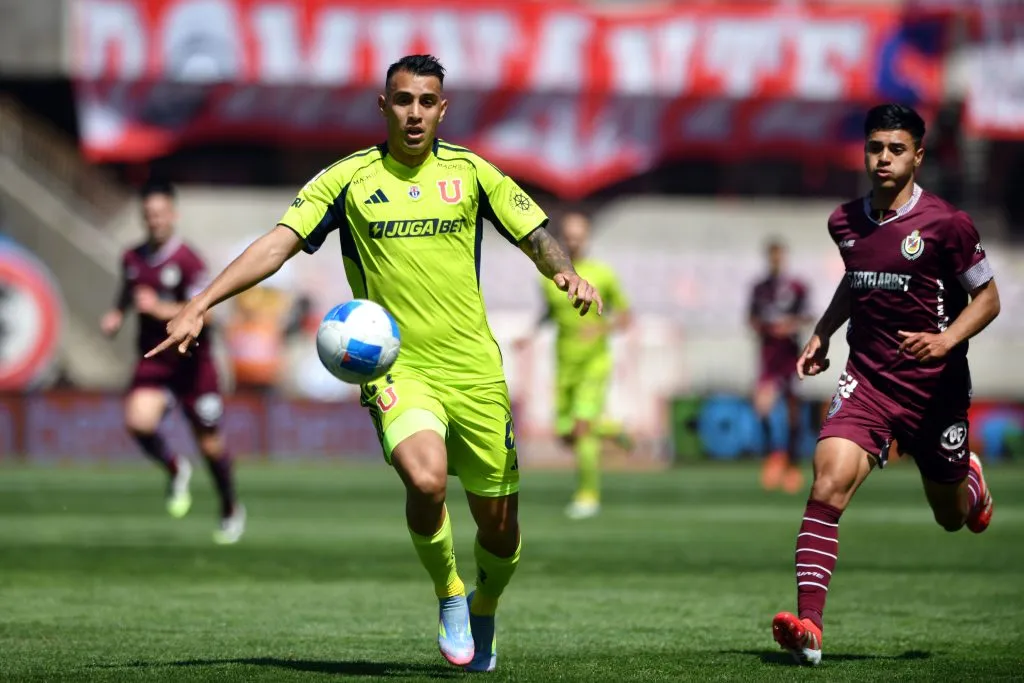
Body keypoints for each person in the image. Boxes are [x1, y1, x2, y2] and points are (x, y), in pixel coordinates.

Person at [145, 55, 602, 673]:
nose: (415, 112)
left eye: (427, 101)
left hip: (474, 372)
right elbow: (279, 242)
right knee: (426, 479)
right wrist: (200, 303)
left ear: (443, 108)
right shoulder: (347, 181)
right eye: (403, 100)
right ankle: (451, 594)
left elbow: (535, 232)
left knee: (500, 531)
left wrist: (565, 271)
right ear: (383, 106)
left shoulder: (473, 174)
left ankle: (488, 600)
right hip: (397, 370)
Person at [771, 104, 999, 666]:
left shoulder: (948, 224)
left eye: (896, 149)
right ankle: (810, 628)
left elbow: (988, 299)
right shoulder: (844, 222)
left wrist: (946, 341)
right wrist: (824, 332)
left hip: (936, 393)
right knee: (827, 483)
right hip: (867, 383)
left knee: (950, 518)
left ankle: (970, 480)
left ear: (918, 156)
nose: (884, 159)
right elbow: (858, 279)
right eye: (876, 148)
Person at [100, 181, 245, 544]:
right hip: (154, 360)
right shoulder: (131, 258)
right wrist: (118, 314)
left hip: (193, 364)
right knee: (138, 422)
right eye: (149, 215)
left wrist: (159, 308)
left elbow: (206, 315)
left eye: (161, 214)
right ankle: (174, 466)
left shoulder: (188, 261)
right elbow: (129, 290)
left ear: (173, 215)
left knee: (210, 446)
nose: (155, 221)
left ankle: (230, 506)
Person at [515, 211, 631, 519]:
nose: (574, 241)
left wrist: (600, 329)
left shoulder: (603, 274)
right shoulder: (553, 277)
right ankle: (612, 429)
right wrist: (529, 335)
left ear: (588, 237)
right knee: (566, 434)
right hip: (564, 363)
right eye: (569, 235)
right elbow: (549, 313)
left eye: (580, 235)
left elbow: (625, 317)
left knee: (581, 430)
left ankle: (587, 496)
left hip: (594, 361)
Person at [748, 240, 812, 494]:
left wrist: (790, 325)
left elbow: (809, 315)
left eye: (779, 256)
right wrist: (766, 328)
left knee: (792, 413)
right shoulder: (759, 288)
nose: (776, 261)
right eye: (772, 257)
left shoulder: (796, 287)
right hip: (768, 357)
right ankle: (774, 457)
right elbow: (751, 318)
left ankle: (793, 465)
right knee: (762, 409)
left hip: (789, 357)